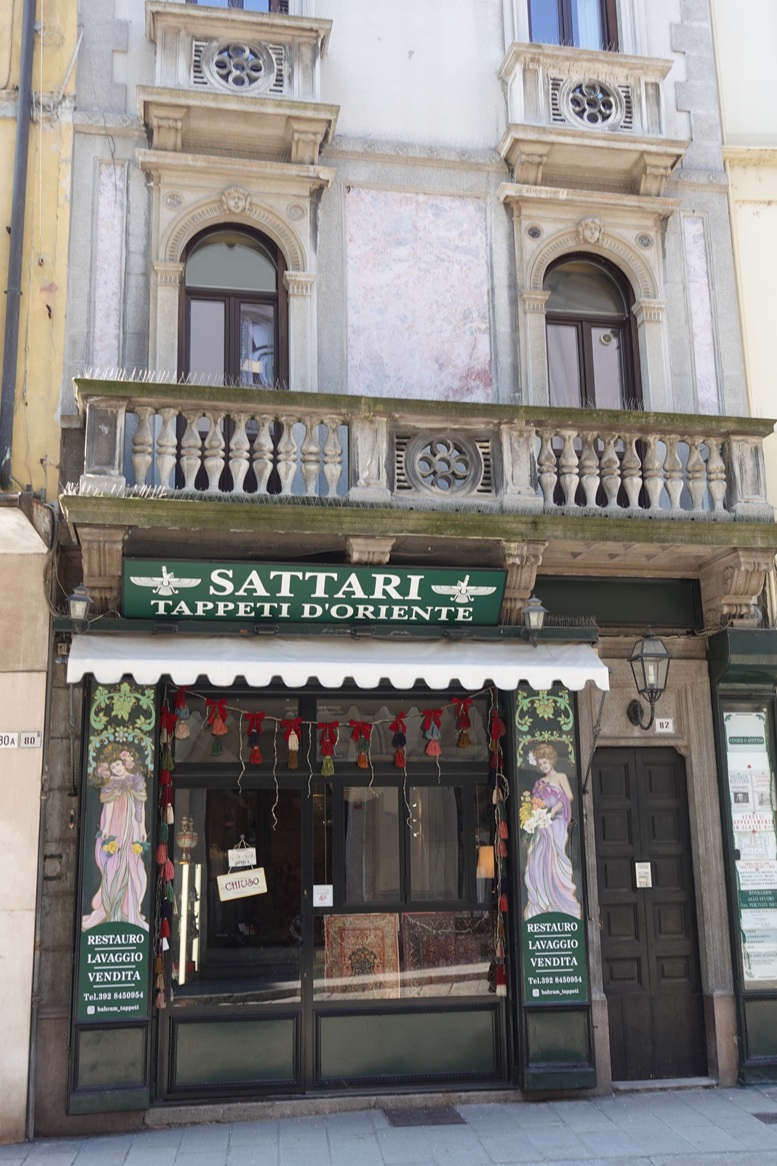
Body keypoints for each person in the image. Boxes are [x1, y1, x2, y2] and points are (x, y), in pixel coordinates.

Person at [81, 745, 149, 931]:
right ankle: (112, 909)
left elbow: (140, 805)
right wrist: (106, 830)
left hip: (131, 827)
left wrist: (142, 827)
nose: (117, 769)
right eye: (113, 767)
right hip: (117, 828)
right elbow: (109, 808)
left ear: (126, 763)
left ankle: (130, 909)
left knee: (132, 866)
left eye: (118, 764)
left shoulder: (135, 780)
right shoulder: (111, 784)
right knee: (114, 865)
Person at [522, 743, 581, 920]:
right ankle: (543, 901)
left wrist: (552, 811)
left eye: (545, 763)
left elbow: (568, 796)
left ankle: (558, 900)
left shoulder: (561, 776)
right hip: (543, 824)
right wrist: (537, 814)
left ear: (551, 761)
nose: (542, 767)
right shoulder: (539, 782)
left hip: (555, 823)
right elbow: (536, 802)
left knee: (554, 857)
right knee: (537, 858)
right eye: (540, 765)